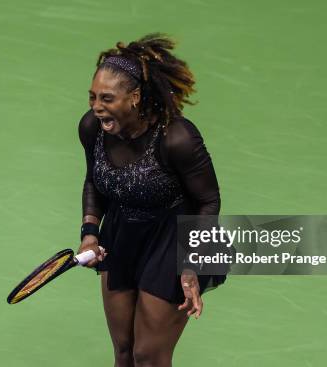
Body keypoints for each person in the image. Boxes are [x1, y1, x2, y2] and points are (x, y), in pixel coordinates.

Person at [77, 33, 226, 367]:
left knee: (149, 356)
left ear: (135, 97)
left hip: (177, 239)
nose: (96, 107)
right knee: (125, 352)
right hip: (122, 234)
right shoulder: (92, 128)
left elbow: (208, 202)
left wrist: (191, 264)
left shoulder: (177, 137)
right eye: (92, 97)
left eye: (107, 98)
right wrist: (90, 232)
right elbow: (94, 182)